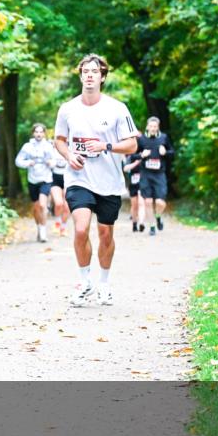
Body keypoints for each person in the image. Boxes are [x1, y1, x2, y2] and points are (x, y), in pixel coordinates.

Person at [54, 53, 138, 307]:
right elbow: (59, 140)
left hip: (109, 181)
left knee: (105, 233)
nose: (90, 75)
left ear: (102, 77)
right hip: (79, 178)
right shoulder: (68, 109)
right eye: (86, 71)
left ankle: (104, 283)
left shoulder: (117, 109)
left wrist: (106, 146)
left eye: (95, 71)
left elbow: (132, 144)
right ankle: (84, 281)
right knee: (80, 228)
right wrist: (69, 155)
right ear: (80, 76)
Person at [15, 123, 56, 242]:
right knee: (36, 208)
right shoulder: (27, 146)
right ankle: (39, 227)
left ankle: (43, 233)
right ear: (33, 133)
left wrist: (50, 163)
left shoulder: (48, 146)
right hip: (33, 180)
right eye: (36, 132)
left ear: (44, 133)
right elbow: (18, 161)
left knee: (43, 205)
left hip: (46, 179)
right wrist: (28, 163)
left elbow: (54, 161)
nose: (38, 134)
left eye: (41, 132)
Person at [136, 116, 174, 236]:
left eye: (155, 127)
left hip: (159, 175)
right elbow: (133, 156)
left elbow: (172, 153)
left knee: (160, 203)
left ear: (158, 127)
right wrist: (141, 155)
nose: (153, 128)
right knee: (147, 202)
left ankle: (158, 217)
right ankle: (152, 227)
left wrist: (165, 152)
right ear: (147, 126)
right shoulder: (141, 139)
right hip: (145, 174)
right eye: (151, 126)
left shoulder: (164, 138)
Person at [49, 151, 70, 236]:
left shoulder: (70, 148)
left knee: (66, 206)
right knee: (58, 203)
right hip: (55, 180)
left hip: (68, 180)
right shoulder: (51, 151)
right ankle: (57, 224)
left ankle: (63, 228)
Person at [123, 152, 144, 232]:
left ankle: (141, 223)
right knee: (134, 205)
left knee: (141, 203)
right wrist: (136, 163)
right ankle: (134, 223)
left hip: (143, 183)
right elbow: (125, 168)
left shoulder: (146, 154)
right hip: (133, 183)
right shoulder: (131, 156)